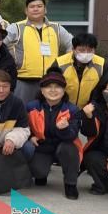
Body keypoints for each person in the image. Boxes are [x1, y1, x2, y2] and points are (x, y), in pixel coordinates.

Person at [24, 67, 82, 200]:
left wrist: (65, 129)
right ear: (42, 90)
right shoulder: (31, 106)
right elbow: (23, 126)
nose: (53, 90)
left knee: (68, 149)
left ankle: (70, 184)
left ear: (63, 90)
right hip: (43, 147)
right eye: (48, 87)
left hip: (64, 146)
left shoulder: (72, 110)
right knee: (38, 172)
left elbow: (72, 135)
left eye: (58, 87)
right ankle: (42, 175)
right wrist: (30, 136)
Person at [5, 0, 73, 102]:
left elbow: (72, 44)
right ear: (26, 11)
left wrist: (66, 62)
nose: (36, 9)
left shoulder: (56, 28)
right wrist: (11, 61)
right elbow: (0, 43)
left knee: (47, 115)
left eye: (39, 6)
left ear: (45, 9)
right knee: (23, 113)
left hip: (50, 81)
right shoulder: (17, 27)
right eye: (32, 7)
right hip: (24, 81)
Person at [53, 33, 108, 108]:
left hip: (89, 110)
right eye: (81, 50)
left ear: (94, 50)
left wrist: (92, 105)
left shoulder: (101, 65)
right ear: (73, 49)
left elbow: (101, 89)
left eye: (90, 50)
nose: (86, 53)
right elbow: (53, 87)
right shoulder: (60, 63)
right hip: (62, 108)